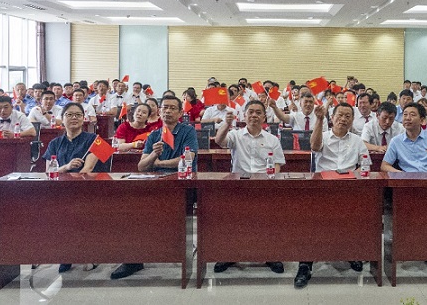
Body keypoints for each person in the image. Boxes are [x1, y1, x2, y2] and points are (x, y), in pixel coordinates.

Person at [110, 96, 199, 281]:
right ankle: (133, 260)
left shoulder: (188, 131)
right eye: (164, 108)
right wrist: (153, 155)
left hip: (181, 183)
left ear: (180, 113)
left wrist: (159, 163)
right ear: (159, 111)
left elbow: (188, 158)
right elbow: (142, 166)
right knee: (131, 209)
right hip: (156, 183)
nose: (168, 111)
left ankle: (177, 251)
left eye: (172, 108)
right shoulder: (154, 135)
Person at [294, 103, 368, 288]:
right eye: (340, 115)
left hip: (349, 188)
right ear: (332, 118)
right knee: (312, 223)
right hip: (322, 188)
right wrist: (319, 119)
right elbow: (314, 146)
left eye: (348, 116)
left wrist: (357, 174)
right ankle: (305, 264)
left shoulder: (357, 141)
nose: (343, 119)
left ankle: (350, 253)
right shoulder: (323, 135)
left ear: (352, 120)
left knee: (352, 221)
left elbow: (365, 163)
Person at [212, 100, 285, 276]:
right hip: (239, 185)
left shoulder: (272, 139)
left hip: (263, 185)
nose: (254, 115)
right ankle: (230, 255)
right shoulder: (235, 135)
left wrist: (270, 180)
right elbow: (219, 141)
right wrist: (227, 123)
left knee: (267, 222)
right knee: (234, 222)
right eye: (250, 112)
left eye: (258, 112)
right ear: (244, 116)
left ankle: (270, 255)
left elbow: (277, 164)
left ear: (264, 117)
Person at [42, 102, 105, 274]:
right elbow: (49, 172)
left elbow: (87, 169)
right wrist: (67, 167)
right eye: (69, 115)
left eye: (78, 115)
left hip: (87, 190)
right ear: (62, 119)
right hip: (60, 191)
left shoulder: (95, 140)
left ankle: (89, 253)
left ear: (84, 118)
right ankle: (66, 254)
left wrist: (65, 171)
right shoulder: (55, 143)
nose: (74, 118)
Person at [381, 103, 427, 173]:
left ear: (422, 120)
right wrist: (401, 174)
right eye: (405, 114)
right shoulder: (396, 141)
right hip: (409, 179)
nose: (407, 118)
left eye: (412, 115)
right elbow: (384, 166)